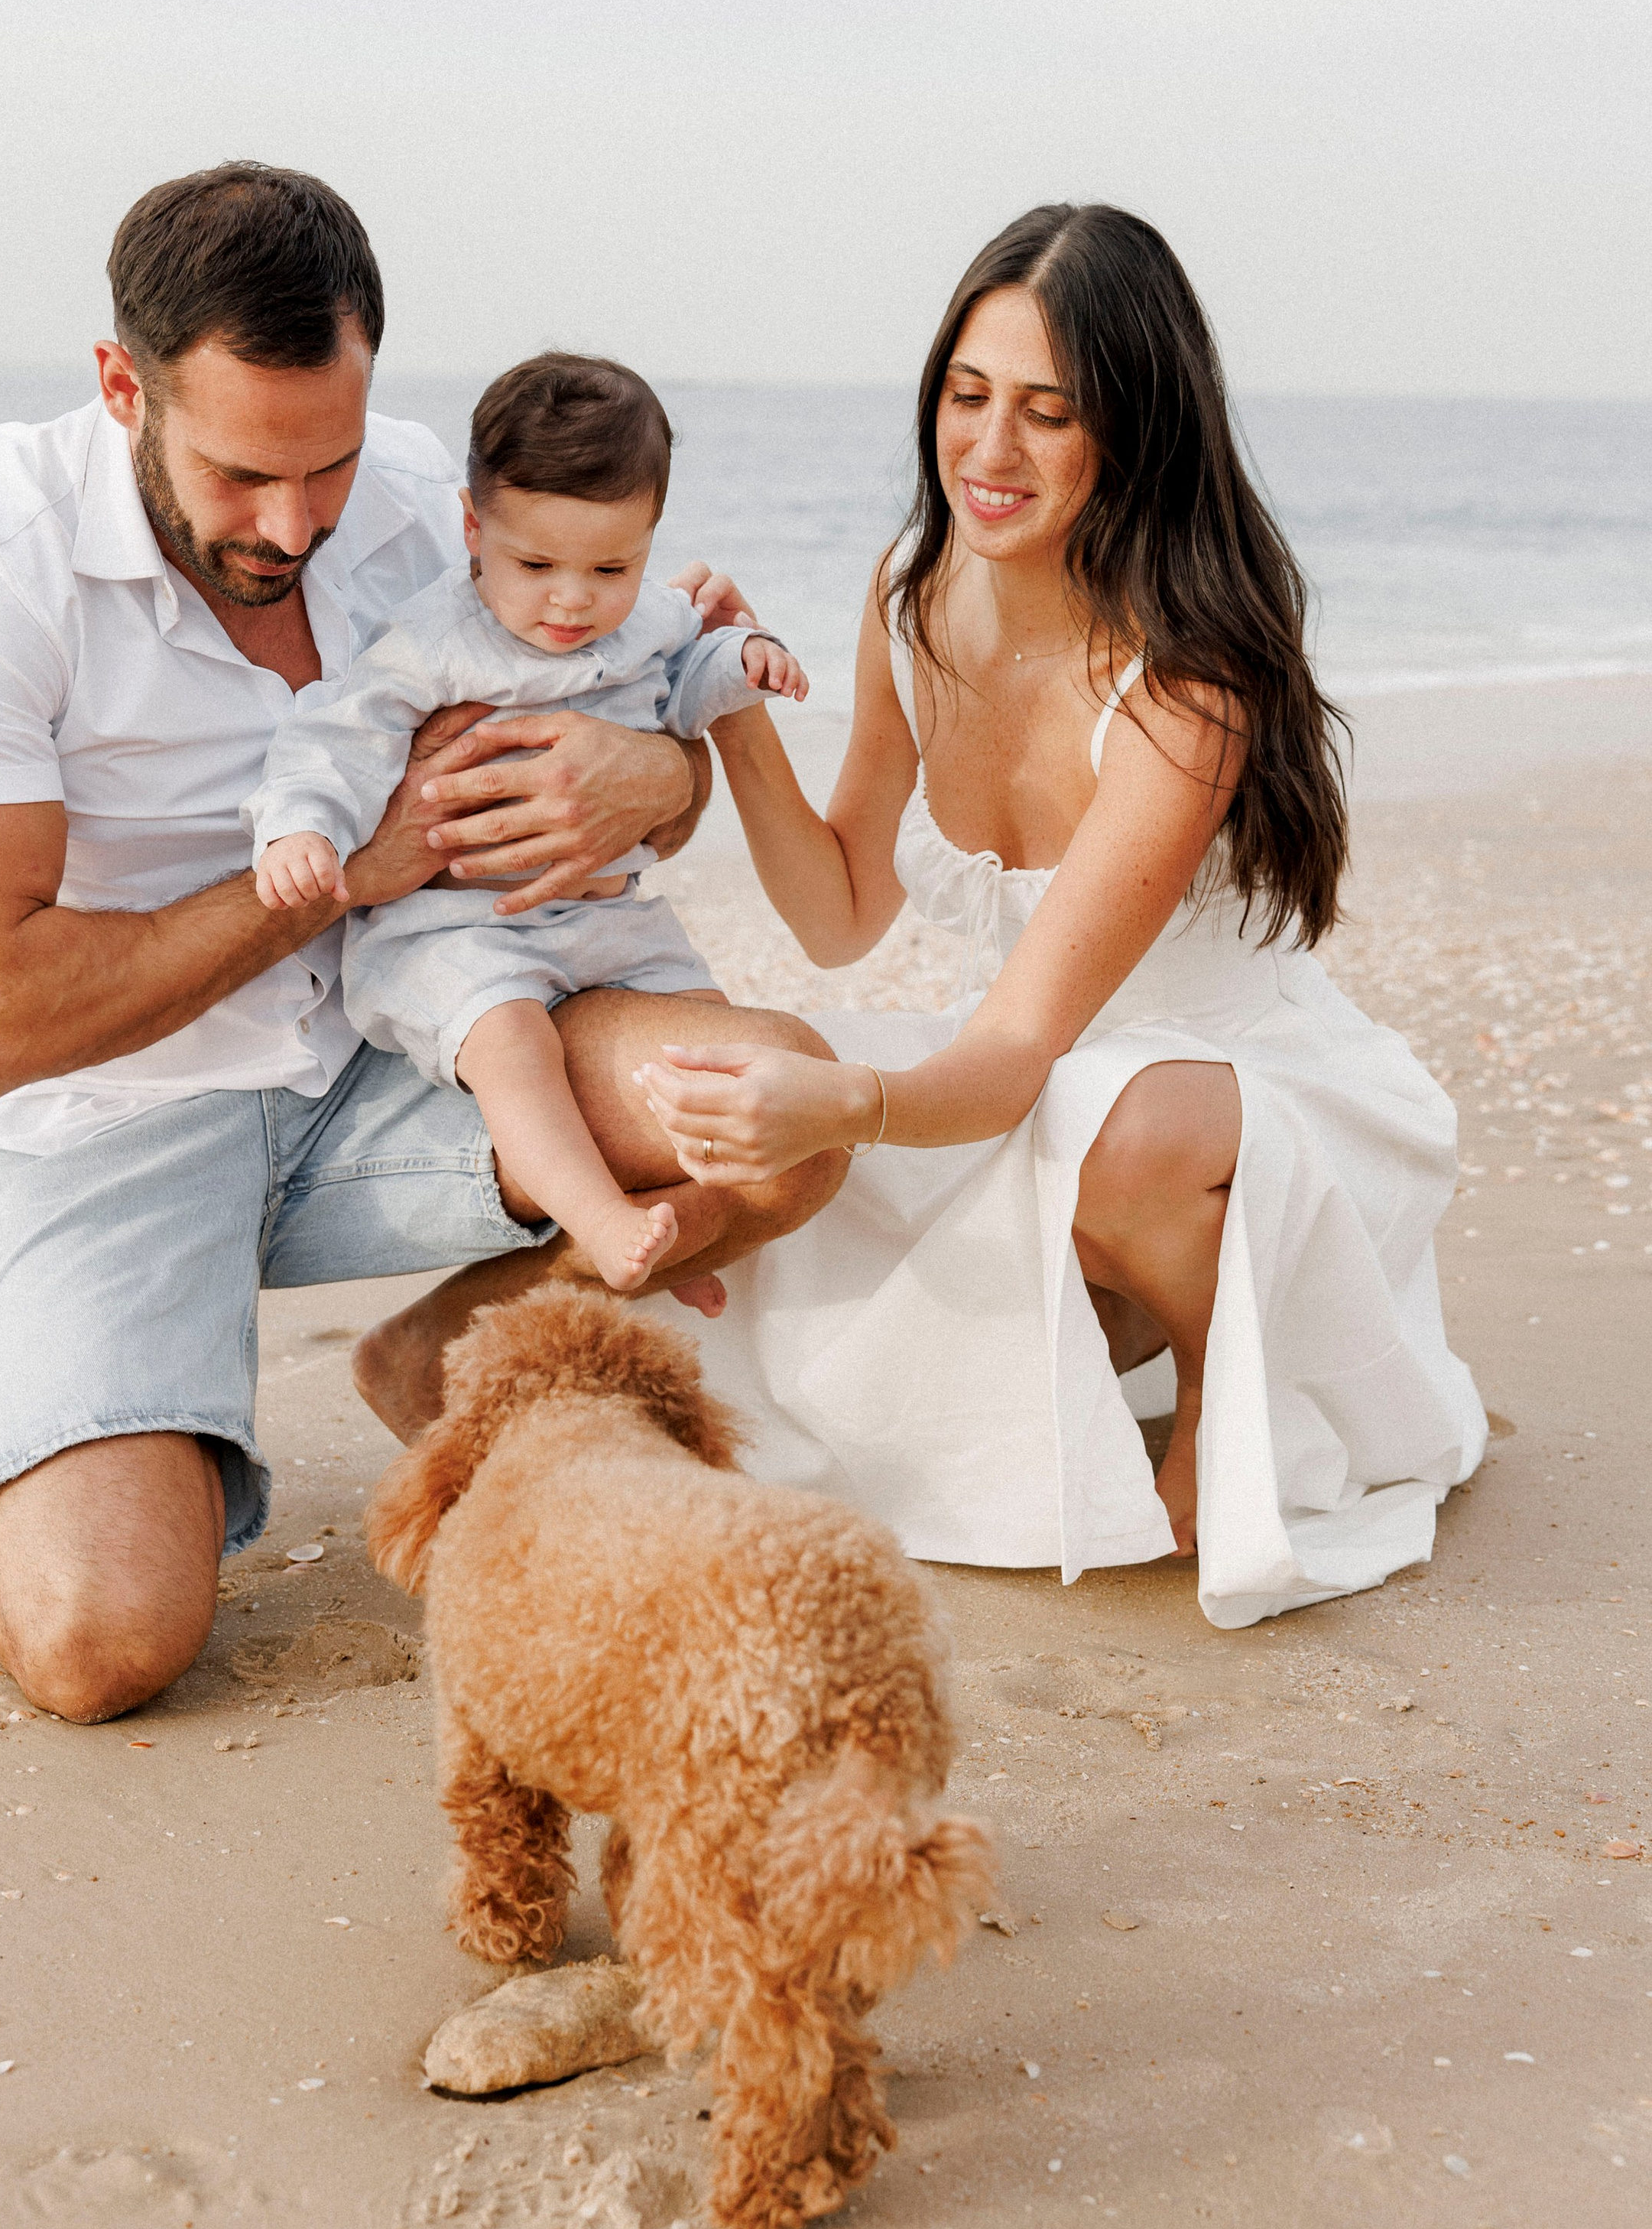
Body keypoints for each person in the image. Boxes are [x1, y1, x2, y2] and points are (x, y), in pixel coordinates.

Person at [0, 162, 844, 1724]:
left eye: (329, 461)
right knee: (103, 1647)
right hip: (105, 1117)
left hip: (400, 1046)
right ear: (121, 384)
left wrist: (665, 775)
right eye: (241, 473)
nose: (294, 522)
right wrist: (350, 874)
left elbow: (608, 714)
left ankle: (433, 1361)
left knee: (770, 1113)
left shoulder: (432, 500)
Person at [634, 203, 1486, 1630]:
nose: (989, 450)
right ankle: (1119, 1303)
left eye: (1049, 413)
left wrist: (841, 1107)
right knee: (738, 1075)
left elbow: (1027, 1042)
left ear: (1134, 431)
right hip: (1034, 1071)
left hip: (1234, 1089)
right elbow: (842, 910)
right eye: (968, 397)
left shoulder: (1190, 681)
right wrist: (728, 699)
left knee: (1114, 1119)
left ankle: (1222, 1364)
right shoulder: (912, 593)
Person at [250, 351, 808, 1291]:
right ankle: (597, 1217)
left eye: (610, 566)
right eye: (536, 562)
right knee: (514, 1048)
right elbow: (331, 739)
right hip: (456, 934)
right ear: (472, 528)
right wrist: (300, 828)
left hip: (606, 920)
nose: (572, 598)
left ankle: (690, 1230)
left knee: (709, 1041)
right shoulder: (435, 641)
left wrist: (745, 657)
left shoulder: (644, 619)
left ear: (650, 539)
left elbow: (684, 673)